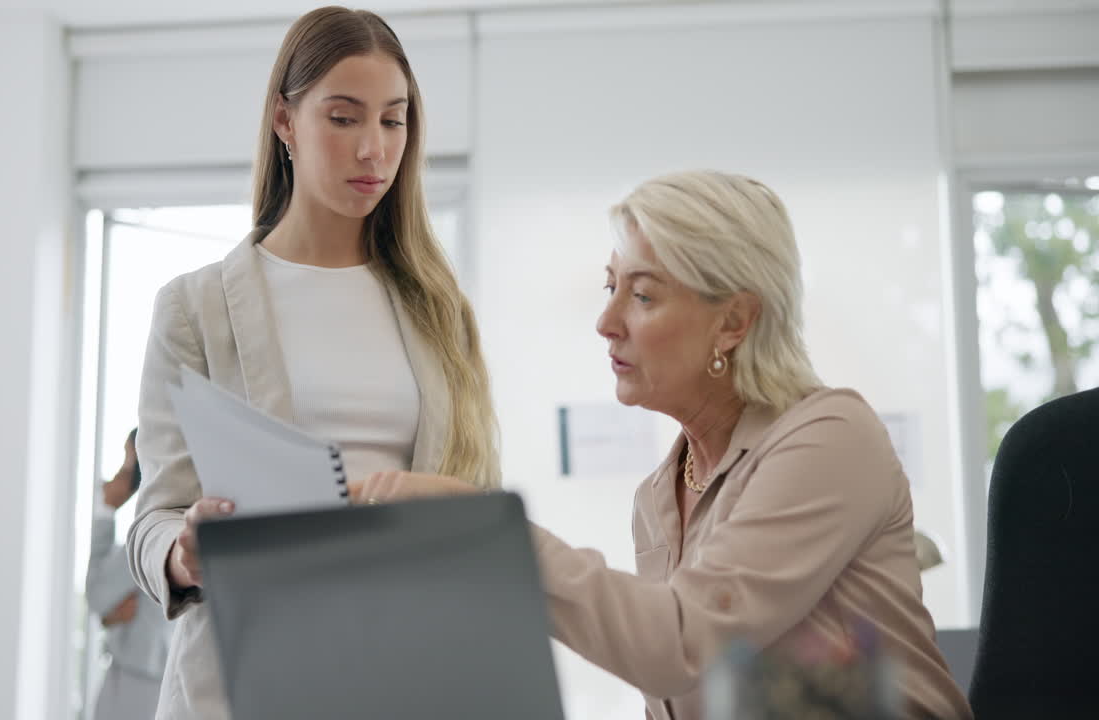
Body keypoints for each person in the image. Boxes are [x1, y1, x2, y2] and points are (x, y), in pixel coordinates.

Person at [352, 170, 973, 719]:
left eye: (643, 294)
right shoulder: (658, 496)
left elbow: (681, 644)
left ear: (733, 322)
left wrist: (486, 530)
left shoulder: (832, 439)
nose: (607, 321)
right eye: (611, 286)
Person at [125, 7, 500, 719]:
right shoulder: (195, 308)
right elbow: (153, 518)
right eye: (343, 118)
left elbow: (478, 500)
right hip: (249, 678)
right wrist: (184, 550)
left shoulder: (441, 310)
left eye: (393, 121)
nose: (373, 150)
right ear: (285, 121)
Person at [85, 428, 171, 720]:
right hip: (152, 680)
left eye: (127, 461)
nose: (121, 473)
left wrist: (105, 511)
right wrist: (109, 616)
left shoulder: (148, 534)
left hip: (137, 684)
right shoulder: (169, 522)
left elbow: (96, 593)